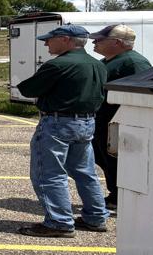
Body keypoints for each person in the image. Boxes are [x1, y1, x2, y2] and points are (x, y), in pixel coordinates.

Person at [13, 24, 108, 237]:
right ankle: (95, 217)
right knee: (85, 172)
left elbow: (28, 89)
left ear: (65, 39)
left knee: (49, 174)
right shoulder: (97, 64)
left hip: (58, 122)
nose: (46, 43)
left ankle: (59, 222)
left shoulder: (59, 64)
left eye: (50, 39)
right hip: (86, 122)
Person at [91, 24, 150, 214]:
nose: (94, 42)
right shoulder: (108, 61)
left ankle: (119, 196)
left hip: (117, 120)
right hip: (103, 120)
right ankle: (115, 194)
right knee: (102, 157)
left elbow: (141, 93)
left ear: (117, 42)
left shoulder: (133, 63)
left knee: (116, 159)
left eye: (100, 39)